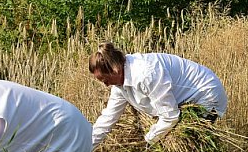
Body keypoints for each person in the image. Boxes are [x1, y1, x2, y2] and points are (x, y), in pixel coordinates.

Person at [89, 42, 228, 146]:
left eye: (105, 80)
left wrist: (150, 140)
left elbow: (170, 116)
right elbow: (108, 119)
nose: (106, 85)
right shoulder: (119, 84)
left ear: (115, 69)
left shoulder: (146, 74)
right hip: (185, 101)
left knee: (194, 147)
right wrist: (84, 150)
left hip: (204, 95)